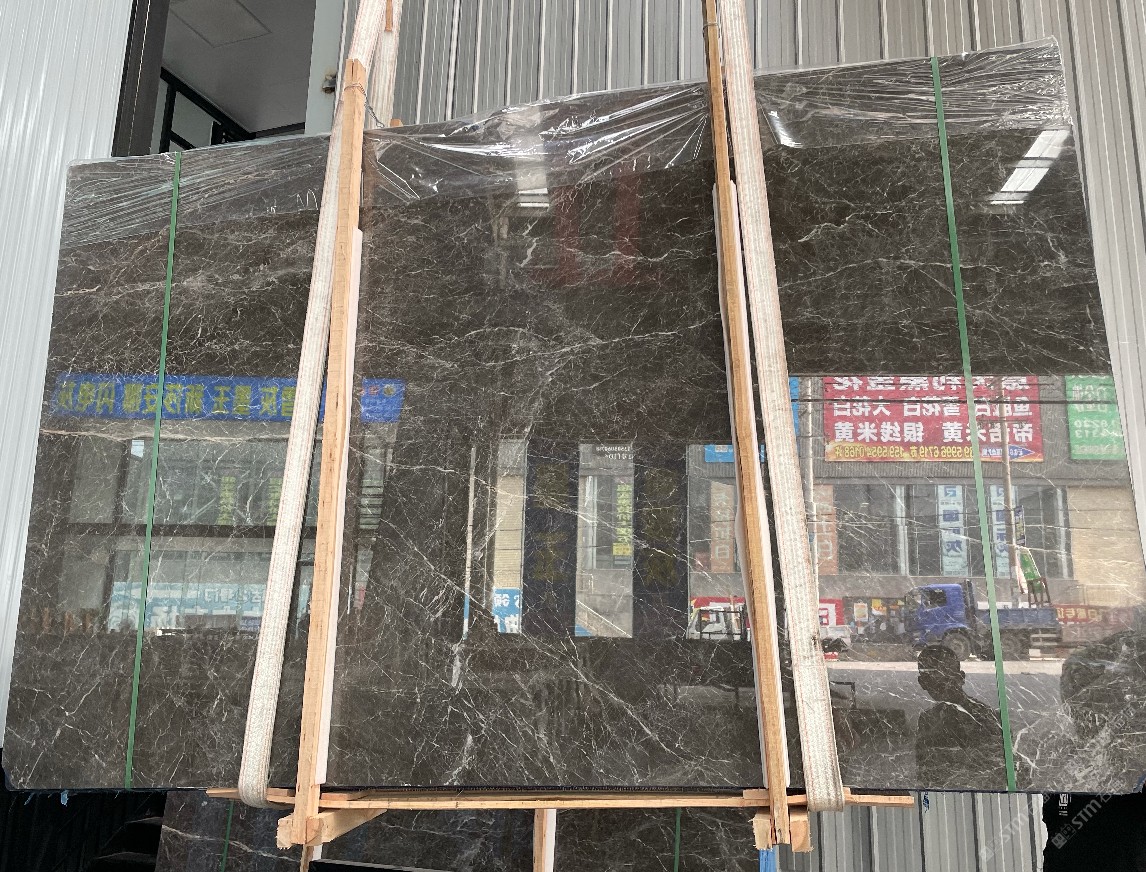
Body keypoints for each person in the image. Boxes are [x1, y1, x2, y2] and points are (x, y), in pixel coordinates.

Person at [914, 644, 1007, 788]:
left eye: (945, 678)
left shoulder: (988, 718)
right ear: (922, 683)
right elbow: (925, 773)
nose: (939, 682)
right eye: (931, 678)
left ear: (961, 677)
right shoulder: (928, 719)